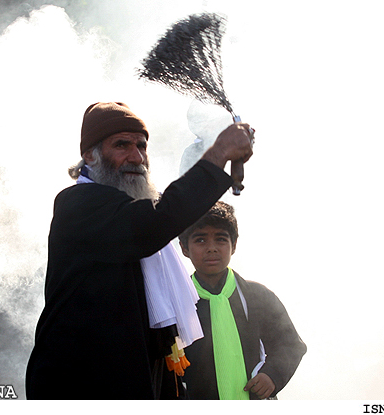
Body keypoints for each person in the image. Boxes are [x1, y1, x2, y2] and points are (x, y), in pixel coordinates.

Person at [25, 102, 253, 399]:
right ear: (88, 155)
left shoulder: (131, 211)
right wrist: (220, 152)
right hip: (82, 386)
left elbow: (158, 333)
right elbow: (157, 221)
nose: (136, 157)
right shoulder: (78, 205)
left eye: (142, 146)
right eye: (122, 145)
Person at [178, 201, 307, 400]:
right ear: (185, 248)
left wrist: (272, 375)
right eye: (200, 240)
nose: (211, 248)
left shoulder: (257, 296)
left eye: (221, 239)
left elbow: (289, 344)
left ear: (234, 245)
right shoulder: (176, 303)